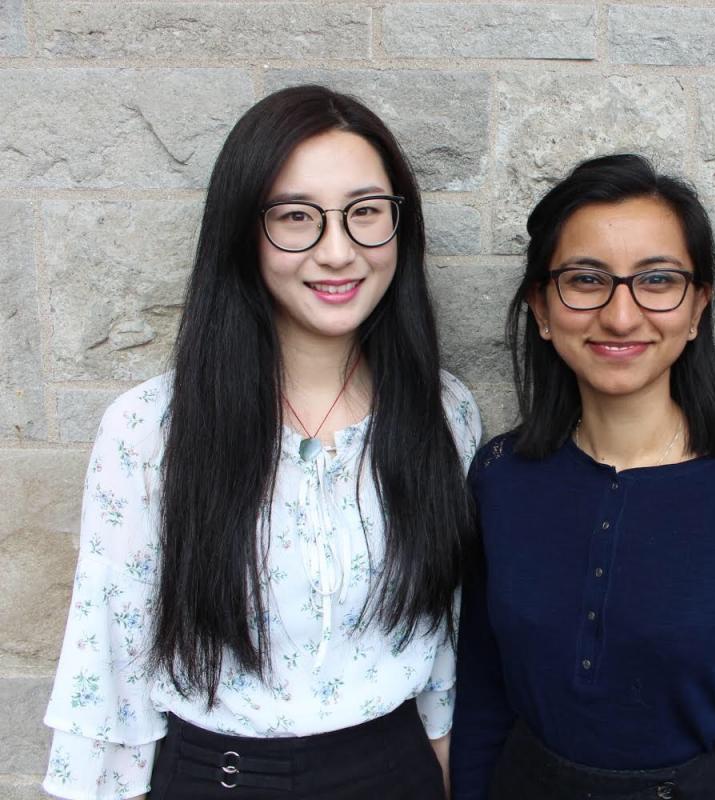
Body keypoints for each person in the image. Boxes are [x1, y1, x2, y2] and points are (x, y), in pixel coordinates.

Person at [41, 85, 481, 799]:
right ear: (245, 231)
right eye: (296, 217)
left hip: (394, 772)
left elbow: (442, 640)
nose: (337, 252)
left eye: (366, 212)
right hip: (219, 777)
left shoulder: (443, 412)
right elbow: (111, 659)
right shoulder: (151, 428)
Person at [449, 154, 715, 799]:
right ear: (542, 307)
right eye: (585, 279)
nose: (621, 316)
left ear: (697, 306)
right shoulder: (500, 477)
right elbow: (482, 698)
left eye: (657, 280)